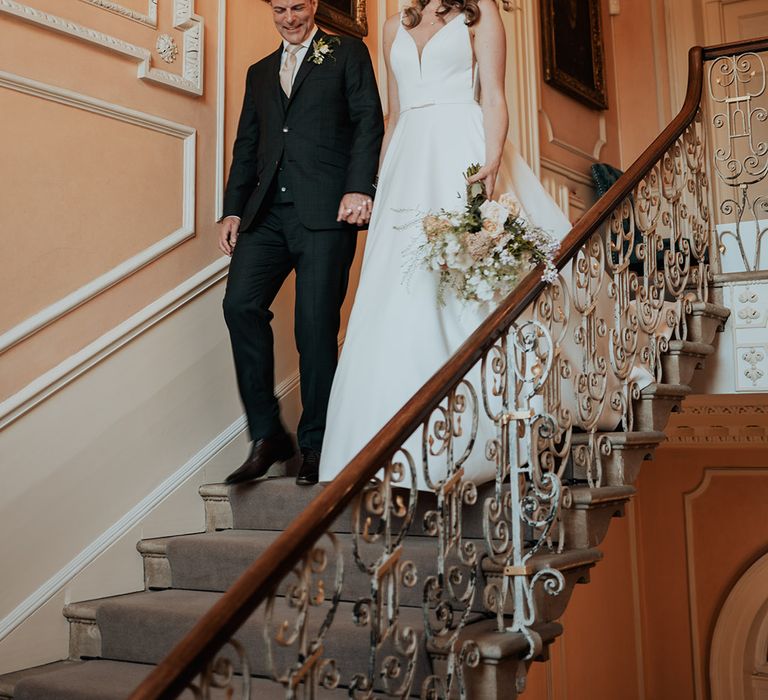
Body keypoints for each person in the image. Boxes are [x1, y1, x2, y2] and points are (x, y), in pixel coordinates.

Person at [319, 0, 574, 489]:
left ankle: (482, 427)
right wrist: (378, 178)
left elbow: (494, 96)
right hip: (405, 159)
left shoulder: (480, 16)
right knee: (397, 288)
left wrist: (492, 161)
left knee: (465, 278)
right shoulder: (393, 23)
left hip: (460, 145)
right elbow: (393, 113)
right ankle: (378, 440)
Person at [219, 0, 384, 486]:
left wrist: (360, 188)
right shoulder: (259, 72)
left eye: (296, 7)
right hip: (266, 213)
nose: (289, 18)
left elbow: (367, 121)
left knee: (314, 330)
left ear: (313, 4)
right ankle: (269, 434)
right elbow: (246, 145)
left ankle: (316, 444)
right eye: (279, 9)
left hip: (326, 210)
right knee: (239, 306)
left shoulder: (347, 54)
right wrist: (232, 208)